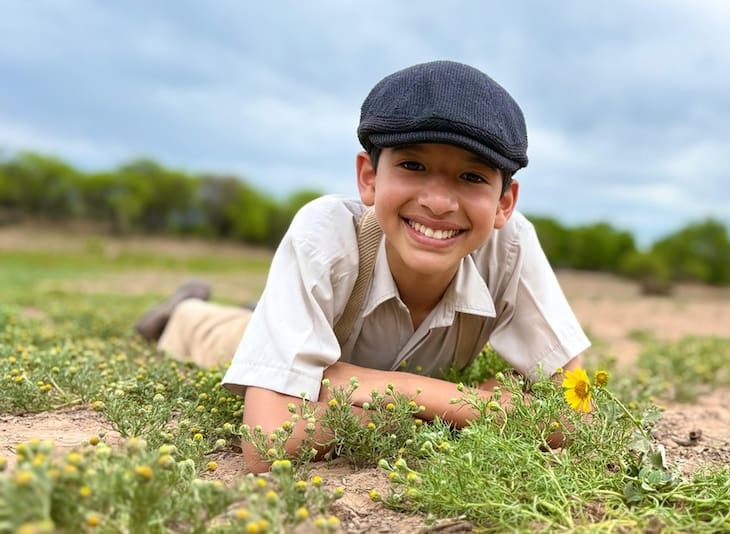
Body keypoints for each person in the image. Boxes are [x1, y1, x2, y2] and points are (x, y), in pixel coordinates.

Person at [136, 60, 590, 473]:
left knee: (272, 339)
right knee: (222, 337)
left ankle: (271, 318)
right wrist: (478, 407)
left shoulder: (509, 246)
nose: (436, 202)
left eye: (472, 177)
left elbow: (574, 410)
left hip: (335, 360)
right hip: (289, 334)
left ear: (504, 203)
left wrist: (355, 383)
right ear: (369, 178)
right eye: (413, 165)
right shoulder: (326, 233)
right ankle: (182, 311)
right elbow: (269, 439)